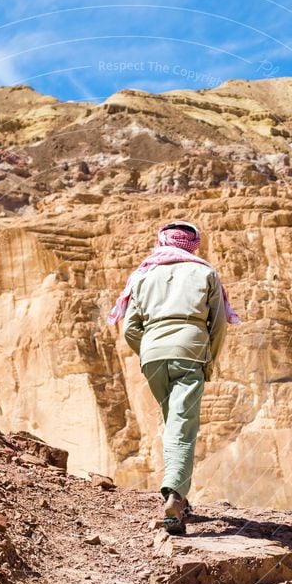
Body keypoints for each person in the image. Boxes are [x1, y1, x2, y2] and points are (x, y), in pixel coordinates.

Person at [107, 220, 239, 534]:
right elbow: (218, 325)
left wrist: (149, 351)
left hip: (152, 354)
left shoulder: (143, 274)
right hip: (190, 350)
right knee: (183, 422)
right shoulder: (205, 273)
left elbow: (129, 328)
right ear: (193, 244)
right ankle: (174, 496)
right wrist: (208, 359)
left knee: (172, 420)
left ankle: (180, 494)